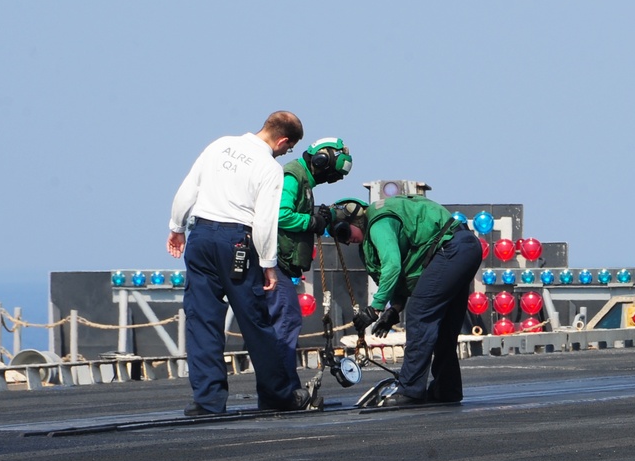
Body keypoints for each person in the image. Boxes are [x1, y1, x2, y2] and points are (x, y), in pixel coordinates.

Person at [167, 111, 310, 416]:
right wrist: (269, 264)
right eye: (289, 148)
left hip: (201, 235)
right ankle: (277, 396)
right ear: (283, 140)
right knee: (255, 321)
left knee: (201, 320)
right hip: (237, 242)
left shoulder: (219, 145)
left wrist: (176, 227)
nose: (286, 153)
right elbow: (264, 222)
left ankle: (208, 401)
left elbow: (188, 188)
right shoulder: (270, 168)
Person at [331, 194, 483, 407]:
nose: (347, 241)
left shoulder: (378, 224)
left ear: (355, 219)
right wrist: (393, 310)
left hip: (450, 249)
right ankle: (447, 389)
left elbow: (392, 266)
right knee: (444, 325)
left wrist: (375, 309)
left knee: (419, 315)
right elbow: (404, 275)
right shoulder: (378, 231)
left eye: (345, 233)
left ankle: (410, 390)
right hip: (466, 247)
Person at [270, 138, 353, 387]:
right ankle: (284, 389)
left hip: (283, 265)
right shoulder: (293, 176)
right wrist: (311, 222)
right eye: (331, 173)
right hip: (275, 263)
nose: (330, 179)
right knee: (287, 321)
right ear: (321, 160)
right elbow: (281, 215)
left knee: (286, 321)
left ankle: (281, 388)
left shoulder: (304, 181)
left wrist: (317, 216)